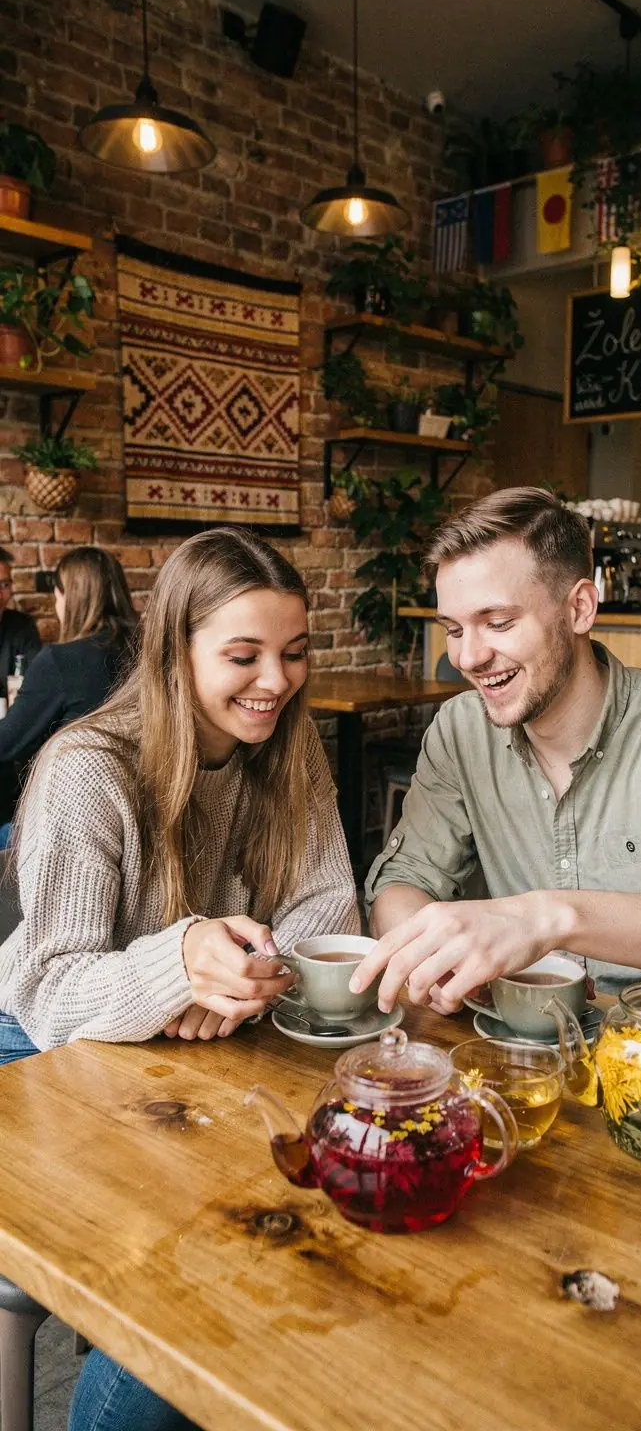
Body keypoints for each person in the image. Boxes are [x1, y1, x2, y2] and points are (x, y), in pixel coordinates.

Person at [0, 526, 358, 1431]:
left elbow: (332, 910)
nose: (275, 681)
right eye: (243, 656)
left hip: (185, 1057)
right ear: (174, 650)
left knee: (300, 1215)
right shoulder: (88, 770)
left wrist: (241, 976)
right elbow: (50, 985)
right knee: (191, 1265)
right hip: (38, 1049)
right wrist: (178, 965)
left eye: (293, 653)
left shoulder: (287, 746)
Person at [356, 486, 641, 1023]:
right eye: (454, 629)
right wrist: (431, 958)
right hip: (525, 1054)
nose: (468, 657)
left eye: (498, 622)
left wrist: (544, 919)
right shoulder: (461, 730)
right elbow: (403, 880)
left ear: (579, 608)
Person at [0, 545, 138, 770]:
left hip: (83, 790)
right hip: (148, 788)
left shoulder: (61, 660)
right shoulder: (146, 648)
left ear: (71, 600)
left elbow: (7, 743)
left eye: (57, 598)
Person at [0, 547, 41, 822]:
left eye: (5, 584)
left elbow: (34, 685)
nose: (2, 593)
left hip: (13, 735)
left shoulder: (22, 626)